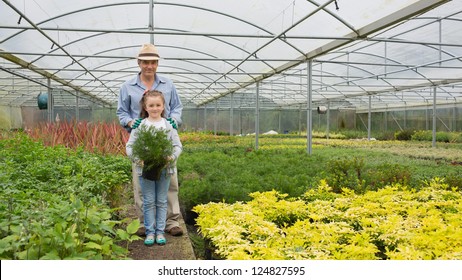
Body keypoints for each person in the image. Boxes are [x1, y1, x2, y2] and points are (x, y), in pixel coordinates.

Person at [117, 43, 184, 236]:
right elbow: (121, 112)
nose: (149, 66)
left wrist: (174, 120)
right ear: (139, 63)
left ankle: (171, 222)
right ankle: (145, 223)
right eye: (145, 62)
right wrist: (130, 122)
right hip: (142, 144)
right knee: (142, 183)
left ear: (157, 63)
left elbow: (177, 107)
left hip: (164, 141)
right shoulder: (127, 86)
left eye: (153, 62)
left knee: (170, 182)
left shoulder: (168, 84)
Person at [126, 90, 182, 246]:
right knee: (149, 200)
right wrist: (137, 159)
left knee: (162, 201)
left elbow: (177, 146)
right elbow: (130, 146)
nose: (155, 108)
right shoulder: (140, 126)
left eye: (158, 105)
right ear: (145, 106)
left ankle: (160, 232)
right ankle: (150, 232)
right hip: (145, 169)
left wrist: (172, 156)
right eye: (151, 105)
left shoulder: (168, 125)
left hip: (164, 168)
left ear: (163, 106)